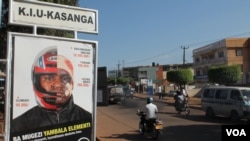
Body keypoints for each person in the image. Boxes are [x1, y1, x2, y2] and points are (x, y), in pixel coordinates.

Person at [12, 48, 92, 133]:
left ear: (72, 83)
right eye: (49, 78)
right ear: (37, 82)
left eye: (64, 78)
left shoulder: (88, 118)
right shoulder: (20, 123)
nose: (57, 85)